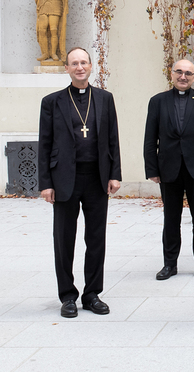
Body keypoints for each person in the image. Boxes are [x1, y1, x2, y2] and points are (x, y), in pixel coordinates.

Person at [38, 47, 121, 318]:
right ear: (67, 68)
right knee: (64, 239)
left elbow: (112, 139)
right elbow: (45, 144)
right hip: (64, 180)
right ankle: (67, 296)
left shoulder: (105, 98)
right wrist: (45, 183)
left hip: (96, 178)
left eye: (84, 62)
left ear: (91, 65)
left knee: (96, 238)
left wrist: (115, 174)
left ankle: (92, 293)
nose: (80, 67)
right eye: (74, 63)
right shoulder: (52, 102)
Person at [143, 59, 194, 281]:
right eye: (179, 72)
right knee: (170, 218)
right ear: (171, 74)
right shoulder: (157, 102)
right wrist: (151, 168)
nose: (183, 77)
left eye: (188, 73)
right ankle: (169, 264)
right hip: (169, 169)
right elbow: (149, 138)